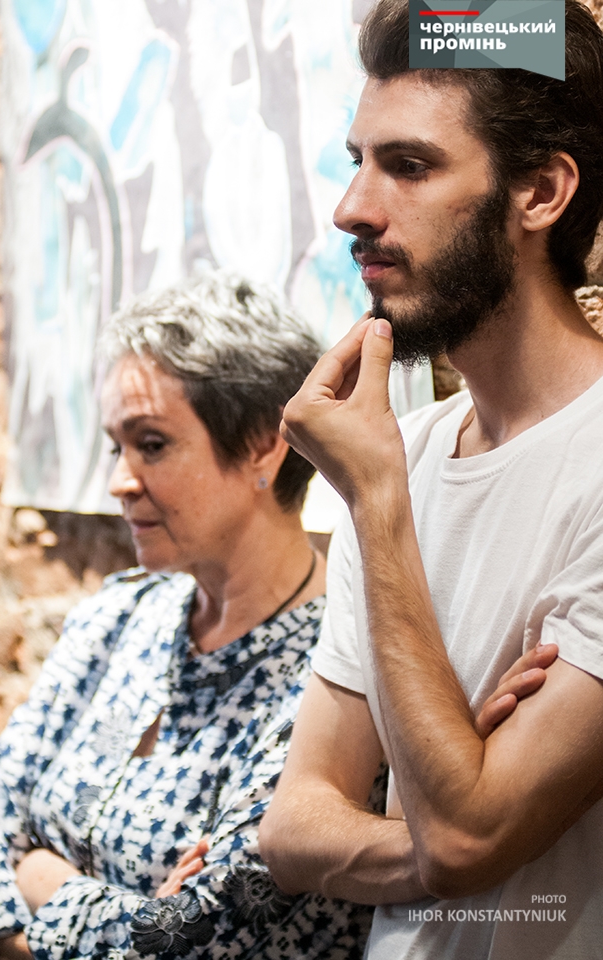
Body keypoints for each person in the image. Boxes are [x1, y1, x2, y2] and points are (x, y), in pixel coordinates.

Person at [259, 2, 603, 959]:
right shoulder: (400, 450)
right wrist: (457, 823)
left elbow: (465, 841)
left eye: (408, 166)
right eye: (358, 160)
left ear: (540, 191)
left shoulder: (381, 472)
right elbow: (293, 829)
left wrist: (377, 504)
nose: (352, 209)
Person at [0, 270, 378, 960]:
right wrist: (120, 916)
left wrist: (38, 880)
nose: (120, 481)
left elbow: (198, 939)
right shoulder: (119, 616)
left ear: (263, 444)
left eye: (151, 444)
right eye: (116, 447)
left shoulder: (335, 673)